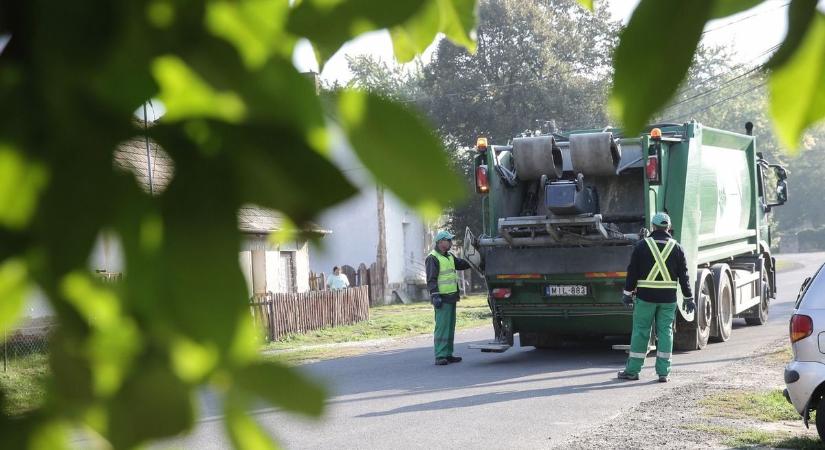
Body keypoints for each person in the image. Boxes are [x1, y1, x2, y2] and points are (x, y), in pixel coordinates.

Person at [618, 212, 694, 383]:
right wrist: (689, 298)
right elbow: (684, 276)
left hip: (645, 298)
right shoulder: (677, 248)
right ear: (668, 227)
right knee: (666, 332)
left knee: (641, 332)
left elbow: (632, 273)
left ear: (652, 227)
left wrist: (627, 294)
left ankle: (633, 371)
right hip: (668, 299)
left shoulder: (641, 246)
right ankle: (663, 373)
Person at [426, 230, 472, 365]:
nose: (451, 242)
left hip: (451, 297)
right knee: (442, 327)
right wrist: (435, 295)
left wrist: (474, 259)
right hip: (441, 298)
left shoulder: (449, 256)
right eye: (449, 240)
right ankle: (440, 355)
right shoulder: (432, 258)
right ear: (441, 242)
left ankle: (448, 354)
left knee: (450, 327)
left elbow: (462, 264)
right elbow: (431, 279)